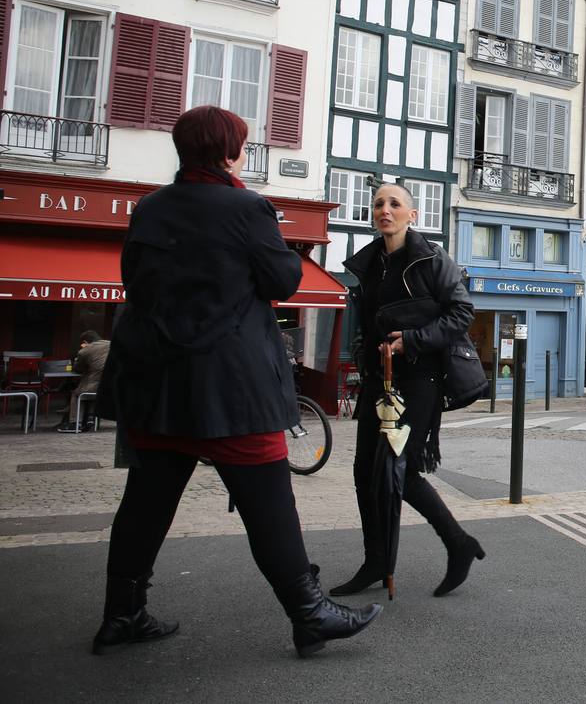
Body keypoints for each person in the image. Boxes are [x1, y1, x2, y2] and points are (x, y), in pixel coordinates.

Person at [93, 107, 379, 658]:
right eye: (243, 146)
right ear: (227, 152)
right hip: (230, 384)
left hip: (157, 384)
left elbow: (135, 280)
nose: (246, 153)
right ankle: (310, 614)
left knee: (145, 504)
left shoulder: (149, 209)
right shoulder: (247, 207)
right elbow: (283, 279)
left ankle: (122, 615)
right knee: (268, 501)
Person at [332, 183, 484, 600]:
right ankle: (376, 561)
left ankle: (458, 543)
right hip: (380, 381)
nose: (386, 209)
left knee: (401, 472)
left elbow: (462, 313)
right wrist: (367, 352)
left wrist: (412, 340)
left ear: (411, 215)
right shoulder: (370, 264)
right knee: (365, 471)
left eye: (395, 204)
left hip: (421, 381)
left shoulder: (432, 259)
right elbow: (364, 325)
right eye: (379, 203)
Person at [55, 330, 109, 432]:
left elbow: (78, 369)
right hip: (111, 386)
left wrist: (80, 355)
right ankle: (90, 418)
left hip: (94, 386)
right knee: (94, 390)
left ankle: (75, 423)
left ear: (85, 342)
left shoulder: (85, 351)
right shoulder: (111, 345)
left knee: (76, 393)